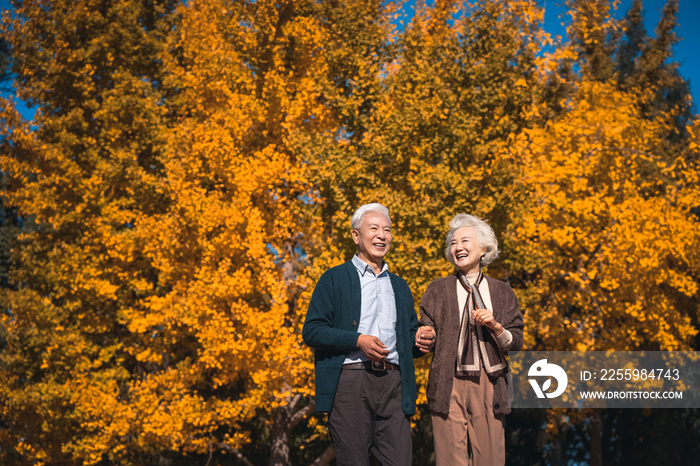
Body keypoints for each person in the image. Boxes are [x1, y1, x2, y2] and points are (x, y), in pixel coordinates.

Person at [303, 203, 435, 466]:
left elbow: (409, 340)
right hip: (350, 382)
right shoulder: (334, 279)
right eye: (373, 228)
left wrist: (421, 340)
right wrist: (357, 340)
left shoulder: (399, 286)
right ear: (356, 236)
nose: (381, 235)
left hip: (394, 384)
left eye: (386, 230)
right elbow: (313, 331)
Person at [418, 213, 524, 466]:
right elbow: (425, 327)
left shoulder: (502, 291)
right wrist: (425, 335)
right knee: (449, 460)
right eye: (453, 243)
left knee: (490, 459)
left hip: (490, 382)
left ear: (484, 247)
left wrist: (496, 326)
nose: (458, 247)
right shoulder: (437, 288)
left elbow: (516, 342)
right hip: (447, 382)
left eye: (465, 241)